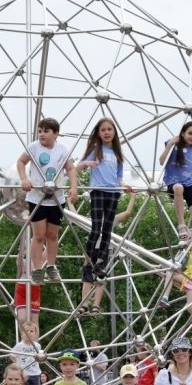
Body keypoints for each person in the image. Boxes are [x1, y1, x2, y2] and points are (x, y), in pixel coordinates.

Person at [17, 117, 78, 285]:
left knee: (52, 235)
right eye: (40, 131)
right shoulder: (33, 148)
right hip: (37, 198)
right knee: (38, 236)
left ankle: (51, 266)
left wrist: (74, 187)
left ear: (56, 133)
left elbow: (71, 168)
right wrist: (24, 179)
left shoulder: (63, 149)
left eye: (46, 131)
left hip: (56, 198)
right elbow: (21, 162)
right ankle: (36, 269)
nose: (42, 134)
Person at [75, 117, 132, 296]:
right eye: (103, 130)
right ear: (98, 133)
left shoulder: (117, 154)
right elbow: (77, 168)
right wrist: (87, 164)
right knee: (96, 228)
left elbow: (119, 176)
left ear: (114, 132)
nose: (107, 132)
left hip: (114, 192)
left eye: (109, 129)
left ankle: (100, 262)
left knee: (107, 230)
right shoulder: (95, 150)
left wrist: (125, 185)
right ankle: (88, 264)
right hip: (98, 191)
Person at [159, 121, 192, 277]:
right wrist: (169, 146)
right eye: (190, 133)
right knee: (178, 188)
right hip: (174, 183)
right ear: (182, 133)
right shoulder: (173, 144)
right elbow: (161, 161)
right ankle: (181, 225)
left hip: (190, 184)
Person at [11, 321, 42, 385]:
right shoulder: (19, 346)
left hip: (35, 373)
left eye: (31, 331)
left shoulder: (37, 346)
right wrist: (17, 364)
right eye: (26, 331)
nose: (29, 333)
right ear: (22, 334)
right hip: (24, 374)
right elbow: (11, 355)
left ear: (35, 334)